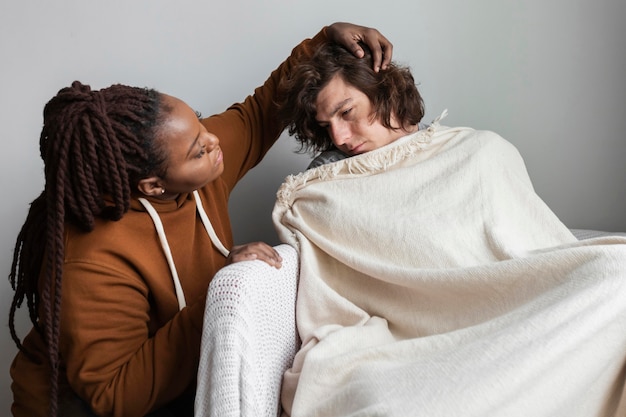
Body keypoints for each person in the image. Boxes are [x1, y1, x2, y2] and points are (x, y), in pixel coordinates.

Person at [7, 22, 394, 417]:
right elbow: (116, 395)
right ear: (154, 186)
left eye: (200, 122)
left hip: (164, 379)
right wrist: (220, 290)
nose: (213, 140)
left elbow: (259, 112)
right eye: (197, 149)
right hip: (77, 404)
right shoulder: (92, 258)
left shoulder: (199, 158)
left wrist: (324, 37)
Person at [272, 42, 626, 416]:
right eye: (328, 126)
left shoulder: (479, 150)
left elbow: (536, 248)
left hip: (527, 308)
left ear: (382, 89)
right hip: (423, 341)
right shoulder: (326, 188)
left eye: (347, 112)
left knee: (616, 272)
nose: (341, 137)